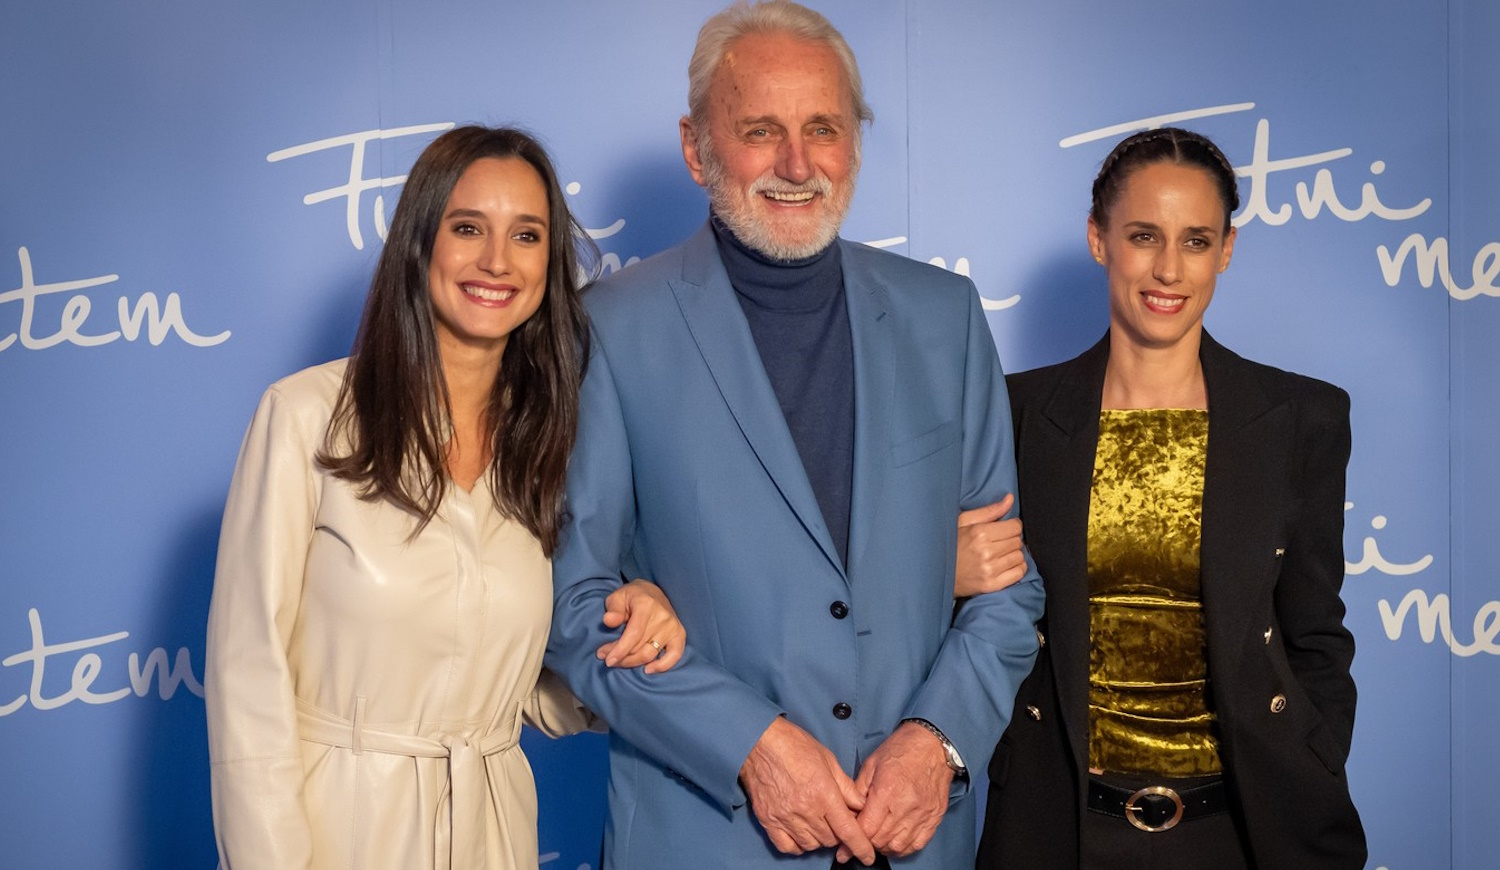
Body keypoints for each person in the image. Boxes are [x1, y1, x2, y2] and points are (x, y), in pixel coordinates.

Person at [543, 2, 1045, 868]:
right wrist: (751, 745)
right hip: (703, 836)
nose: (797, 164)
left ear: (855, 143)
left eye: (823, 128)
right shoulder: (609, 330)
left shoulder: (945, 318)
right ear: (696, 147)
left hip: (912, 837)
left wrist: (938, 741)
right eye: (760, 131)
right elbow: (576, 605)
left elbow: (1007, 587)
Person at [205, 125, 687, 870]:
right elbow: (248, 681)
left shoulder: (551, 444)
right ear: (419, 241)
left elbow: (531, 692)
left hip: (495, 834)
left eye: (526, 235)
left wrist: (631, 629)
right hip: (342, 832)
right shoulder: (305, 418)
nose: (497, 260)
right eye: (468, 228)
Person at [973, 127, 1367, 869]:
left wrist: (1312, 763)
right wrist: (951, 570)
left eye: (1195, 241)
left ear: (1226, 250)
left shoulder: (1301, 419)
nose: (1168, 269)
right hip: (1056, 830)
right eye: (1144, 235)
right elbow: (972, 619)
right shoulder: (1014, 413)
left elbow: (1315, 634)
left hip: (1248, 833)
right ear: (1099, 239)